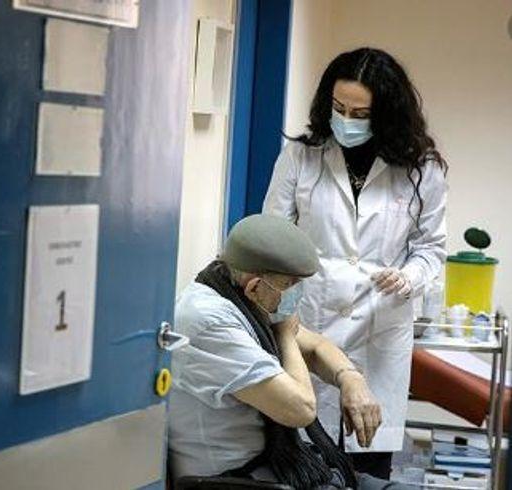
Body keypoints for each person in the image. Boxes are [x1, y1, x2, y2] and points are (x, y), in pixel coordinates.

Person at [262, 47, 447, 479]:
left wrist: (409, 276)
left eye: (360, 113)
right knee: (305, 463)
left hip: (378, 334)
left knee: (368, 467)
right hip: (311, 325)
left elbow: (431, 249)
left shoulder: (421, 169)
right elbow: (272, 238)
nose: (346, 120)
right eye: (339, 108)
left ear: (386, 115)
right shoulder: (301, 156)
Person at [168, 214, 412, 489]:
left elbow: (317, 347)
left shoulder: (239, 295)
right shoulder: (208, 321)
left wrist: (350, 379)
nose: (296, 294)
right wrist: (285, 335)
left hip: (281, 469)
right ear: (255, 286)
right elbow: (300, 409)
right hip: (240, 482)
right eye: (290, 285)